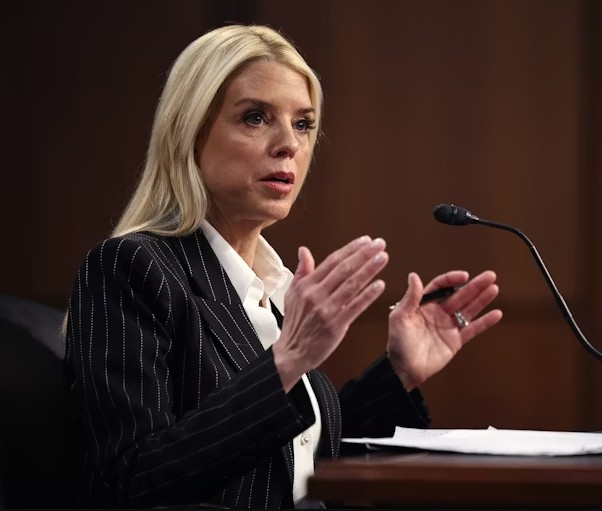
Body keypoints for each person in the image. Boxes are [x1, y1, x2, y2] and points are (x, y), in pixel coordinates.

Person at [63, 24, 503, 509]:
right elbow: (129, 480)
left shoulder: (269, 287)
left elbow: (297, 463)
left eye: (303, 124)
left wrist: (399, 372)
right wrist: (287, 361)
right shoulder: (132, 268)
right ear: (190, 133)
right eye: (255, 117)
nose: (289, 144)